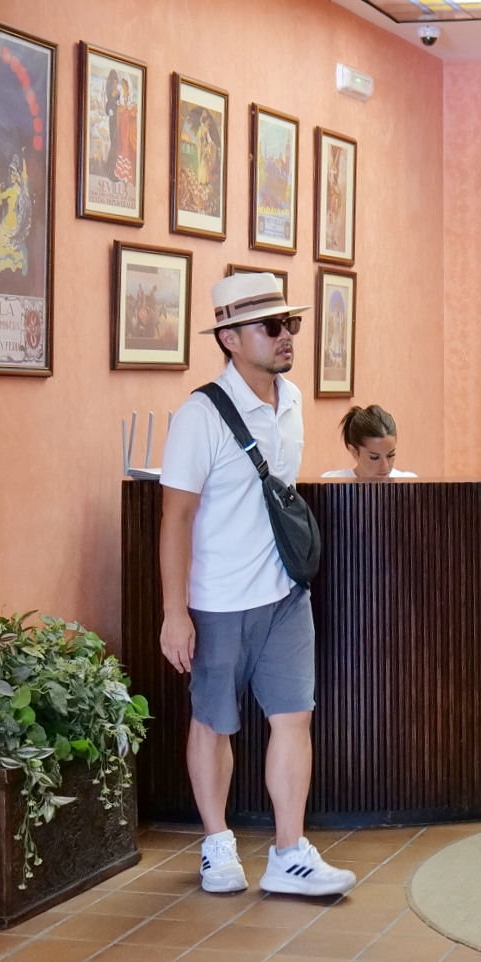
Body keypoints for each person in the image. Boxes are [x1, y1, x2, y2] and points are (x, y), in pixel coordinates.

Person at [155, 272, 357, 899]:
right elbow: (175, 517)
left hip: (286, 595)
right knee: (213, 723)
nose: (286, 335)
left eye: (289, 323)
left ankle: (289, 852)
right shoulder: (201, 415)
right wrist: (175, 612)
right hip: (219, 601)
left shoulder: (290, 402)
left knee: (294, 719)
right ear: (230, 338)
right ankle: (217, 843)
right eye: (271, 326)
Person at [321, 404, 416, 480]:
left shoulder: (409, 482)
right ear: (354, 451)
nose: (385, 466)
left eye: (391, 455)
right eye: (374, 457)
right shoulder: (332, 482)